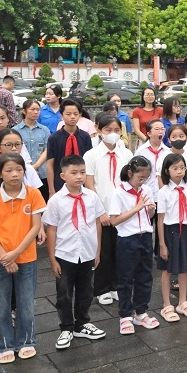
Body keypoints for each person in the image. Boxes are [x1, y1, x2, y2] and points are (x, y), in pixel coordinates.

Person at [0, 153, 44, 364]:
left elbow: (35, 226)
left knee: (26, 302)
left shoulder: (33, 194)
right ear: (0, 174)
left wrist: (15, 253)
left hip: (26, 256)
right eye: (8, 170)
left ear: (24, 172)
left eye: (18, 170)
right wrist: (4, 256)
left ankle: (27, 341)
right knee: (0, 303)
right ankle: (3, 344)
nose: (14, 174)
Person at [44, 155, 107, 349]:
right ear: (63, 175)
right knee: (64, 293)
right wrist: (52, 258)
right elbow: (51, 229)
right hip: (65, 253)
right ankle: (66, 327)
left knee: (85, 290)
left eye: (82, 172)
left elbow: (97, 222)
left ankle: (82, 323)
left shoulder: (91, 196)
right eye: (73, 173)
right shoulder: (56, 201)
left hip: (87, 252)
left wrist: (97, 250)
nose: (79, 177)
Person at [85, 114, 133, 306]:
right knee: (103, 250)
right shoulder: (91, 155)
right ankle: (101, 288)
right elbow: (89, 184)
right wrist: (101, 212)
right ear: (99, 130)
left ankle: (116, 286)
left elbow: (130, 182)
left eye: (116, 131)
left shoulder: (127, 154)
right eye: (108, 130)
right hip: (102, 210)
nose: (112, 134)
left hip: (122, 211)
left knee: (120, 250)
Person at [109, 156, 159, 334]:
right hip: (127, 239)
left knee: (145, 277)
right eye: (140, 177)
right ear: (130, 173)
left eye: (145, 178)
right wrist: (137, 208)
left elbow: (150, 216)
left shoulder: (146, 189)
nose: (142, 181)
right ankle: (125, 315)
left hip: (145, 236)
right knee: (125, 279)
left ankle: (141, 312)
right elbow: (114, 221)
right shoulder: (119, 192)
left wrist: (151, 209)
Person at [156, 153, 187, 322]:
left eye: (182, 168)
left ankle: (183, 302)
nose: (179, 171)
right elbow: (160, 219)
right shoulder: (164, 191)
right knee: (167, 269)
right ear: (167, 170)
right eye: (175, 168)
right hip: (170, 231)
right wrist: (162, 244)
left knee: (184, 268)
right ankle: (167, 305)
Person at [46, 99, 92, 196]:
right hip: (60, 182)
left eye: (75, 114)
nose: (72, 117)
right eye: (68, 114)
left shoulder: (85, 136)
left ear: (79, 115)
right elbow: (50, 164)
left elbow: (89, 162)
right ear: (61, 116)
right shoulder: (54, 138)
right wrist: (51, 189)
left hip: (82, 182)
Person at [14, 100, 50, 200]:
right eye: (32, 109)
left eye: (38, 110)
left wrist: (35, 166)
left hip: (42, 172)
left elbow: (47, 150)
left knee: (43, 201)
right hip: (23, 173)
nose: (36, 112)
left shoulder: (44, 130)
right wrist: (29, 168)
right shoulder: (15, 130)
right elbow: (15, 152)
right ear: (24, 111)